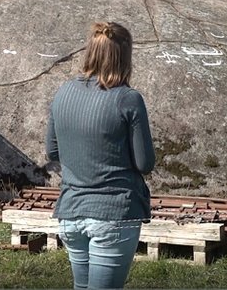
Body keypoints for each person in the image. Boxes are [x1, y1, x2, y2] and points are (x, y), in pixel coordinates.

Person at [46, 21, 156, 289]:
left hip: (71, 211)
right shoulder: (128, 98)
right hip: (113, 213)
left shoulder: (63, 92)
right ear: (125, 55)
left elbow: (52, 151)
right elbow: (144, 163)